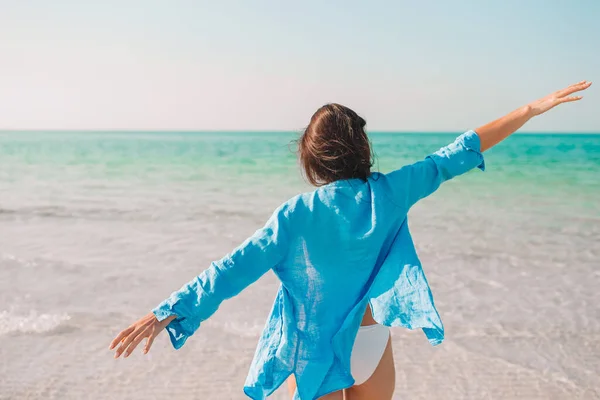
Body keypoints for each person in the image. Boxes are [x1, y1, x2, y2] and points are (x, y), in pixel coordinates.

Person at [109, 81, 592, 400]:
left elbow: (229, 271)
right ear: (362, 148)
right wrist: (530, 109)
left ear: (312, 159)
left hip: (318, 353)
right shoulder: (391, 192)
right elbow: (456, 153)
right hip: (372, 345)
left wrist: (166, 311)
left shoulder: (295, 215)